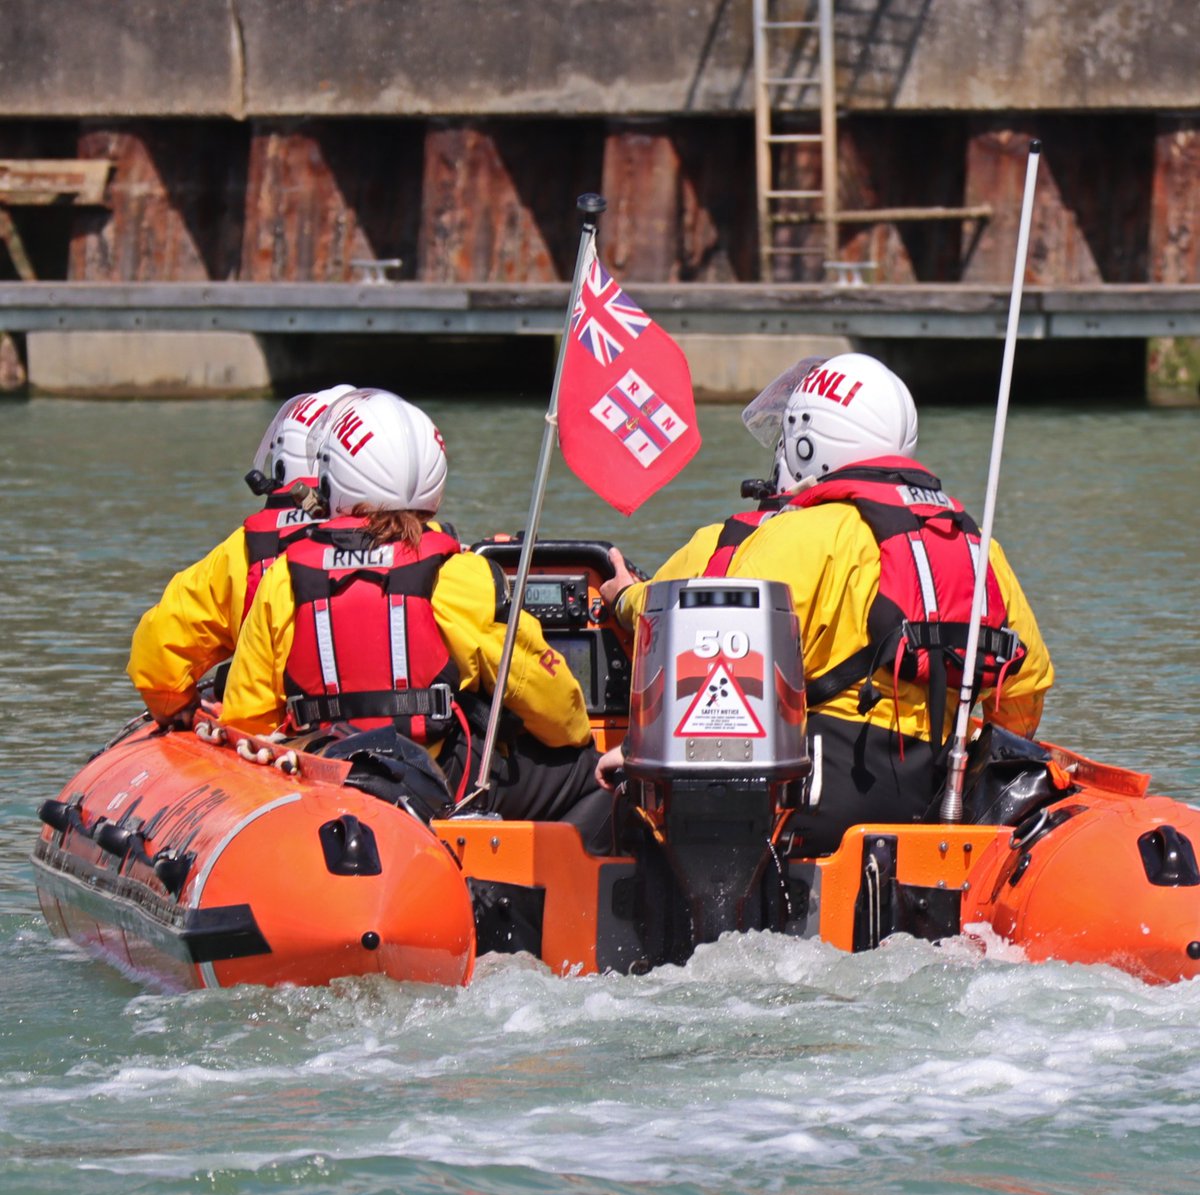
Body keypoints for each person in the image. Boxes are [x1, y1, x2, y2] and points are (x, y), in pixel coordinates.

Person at [597, 352, 1054, 854]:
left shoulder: (795, 536)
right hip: (943, 801)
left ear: (808, 442)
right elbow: (1026, 687)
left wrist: (624, 603)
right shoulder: (977, 545)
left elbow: (704, 645)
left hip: (820, 802)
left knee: (608, 810)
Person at [220, 387, 613, 848]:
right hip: (436, 788)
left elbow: (246, 723)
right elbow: (556, 710)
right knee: (597, 777)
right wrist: (578, 737)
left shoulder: (284, 579)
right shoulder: (459, 574)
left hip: (321, 783)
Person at [126, 384, 354, 726]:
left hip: (275, 742)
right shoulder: (418, 544)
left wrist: (178, 707)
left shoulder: (244, 551)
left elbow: (158, 653)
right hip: (406, 747)